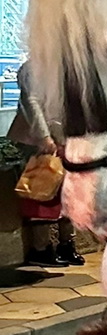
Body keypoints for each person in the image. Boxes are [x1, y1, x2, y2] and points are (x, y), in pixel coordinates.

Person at [9, 62, 82, 268]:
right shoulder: (31, 68)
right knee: (40, 193)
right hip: (35, 140)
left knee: (69, 194)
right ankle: (41, 248)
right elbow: (31, 102)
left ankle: (66, 244)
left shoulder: (64, 67)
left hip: (64, 139)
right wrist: (44, 137)